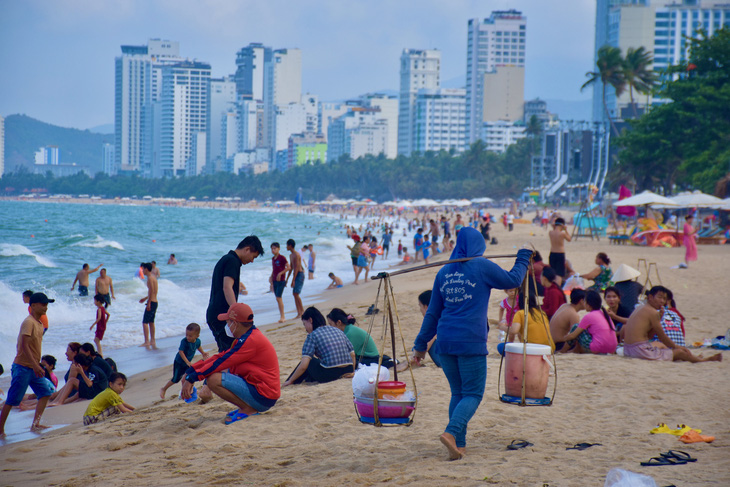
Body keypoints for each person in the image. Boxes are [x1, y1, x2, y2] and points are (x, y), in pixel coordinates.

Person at [412, 227, 531, 460]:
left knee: (458, 393)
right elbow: (514, 279)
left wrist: (420, 346)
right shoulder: (482, 265)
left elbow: (432, 314)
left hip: (445, 343)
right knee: (473, 394)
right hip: (470, 341)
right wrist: (524, 256)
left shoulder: (444, 272)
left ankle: (460, 445)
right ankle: (451, 432)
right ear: (478, 246)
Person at [181, 303, 280, 423]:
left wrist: (192, 378)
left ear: (235, 323)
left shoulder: (250, 340)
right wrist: (190, 372)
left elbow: (221, 362)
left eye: (228, 322)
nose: (226, 325)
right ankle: (247, 406)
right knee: (218, 369)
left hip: (263, 396)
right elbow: (220, 357)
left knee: (213, 379)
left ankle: (247, 408)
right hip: (261, 390)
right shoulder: (249, 336)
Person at [0, 293, 56, 436]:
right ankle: (0, 429)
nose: (46, 307)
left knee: (45, 393)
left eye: (46, 305)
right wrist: (35, 365)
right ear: (33, 305)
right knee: (13, 399)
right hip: (22, 367)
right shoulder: (28, 322)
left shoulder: (39, 323)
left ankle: (35, 424)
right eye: (43, 304)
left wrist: (37, 365)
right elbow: (24, 345)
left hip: (33, 367)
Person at [622, 286, 721, 362]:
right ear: (650, 297)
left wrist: (659, 318)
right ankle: (703, 361)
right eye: (659, 297)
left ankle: (693, 357)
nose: (662, 301)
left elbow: (649, 336)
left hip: (628, 349)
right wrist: (677, 346)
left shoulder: (641, 307)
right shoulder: (652, 312)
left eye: (664, 299)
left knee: (660, 345)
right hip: (640, 351)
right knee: (680, 352)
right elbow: (662, 336)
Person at [206, 236, 264, 352]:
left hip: (216, 314)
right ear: (247, 249)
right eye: (254, 257)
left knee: (227, 350)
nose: (252, 261)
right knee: (229, 352)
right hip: (221, 315)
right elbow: (227, 287)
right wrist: (236, 312)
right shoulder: (233, 261)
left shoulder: (227, 259)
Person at [283, 307, 356, 386]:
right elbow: (352, 354)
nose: (305, 329)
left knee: (310, 361)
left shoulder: (312, 336)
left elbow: (304, 365)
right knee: (317, 363)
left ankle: (290, 382)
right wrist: (352, 371)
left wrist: (290, 380)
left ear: (310, 320)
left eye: (304, 324)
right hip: (348, 369)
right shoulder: (337, 330)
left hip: (330, 373)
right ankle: (300, 380)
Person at [327, 308, 394, 368]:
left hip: (369, 357)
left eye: (331, 324)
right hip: (364, 356)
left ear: (339, 322)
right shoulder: (348, 330)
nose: (330, 327)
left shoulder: (350, 333)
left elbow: (348, 355)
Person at [499, 288, 555, 355]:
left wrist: (502, 327)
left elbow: (514, 331)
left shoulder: (521, 313)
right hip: (549, 348)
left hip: (532, 349)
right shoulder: (541, 312)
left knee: (501, 347)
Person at [160, 323, 209, 399]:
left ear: (197, 336)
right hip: (179, 362)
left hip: (188, 363)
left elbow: (198, 346)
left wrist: (203, 352)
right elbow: (181, 352)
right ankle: (164, 389)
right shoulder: (184, 341)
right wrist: (187, 362)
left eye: (190, 336)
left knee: (190, 375)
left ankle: (190, 390)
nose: (188, 337)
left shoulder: (198, 341)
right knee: (175, 379)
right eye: (186, 335)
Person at [562, 290, 617, 354]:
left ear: (588, 304)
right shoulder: (604, 314)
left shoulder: (589, 316)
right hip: (612, 349)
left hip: (599, 349)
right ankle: (575, 350)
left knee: (576, 327)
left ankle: (562, 350)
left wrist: (564, 338)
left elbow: (573, 336)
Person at [138, 262, 158, 348]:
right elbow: (154, 292)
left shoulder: (150, 278)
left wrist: (148, 302)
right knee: (151, 322)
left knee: (145, 322)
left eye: (143, 269)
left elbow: (151, 291)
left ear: (146, 269)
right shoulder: (153, 277)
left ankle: (146, 341)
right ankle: (152, 340)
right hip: (155, 301)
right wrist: (145, 298)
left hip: (152, 302)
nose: (142, 270)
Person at [286, 239, 305, 319]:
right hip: (296, 275)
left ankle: (302, 312)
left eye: (287, 245)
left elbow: (297, 268)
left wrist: (293, 280)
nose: (286, 247)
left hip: (299, 274)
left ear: (290, 245)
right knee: (294, 294)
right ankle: (299, 313)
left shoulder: (297, 255)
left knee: (296, 293)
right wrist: (287, 278)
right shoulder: (291, 255)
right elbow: (291, 268)